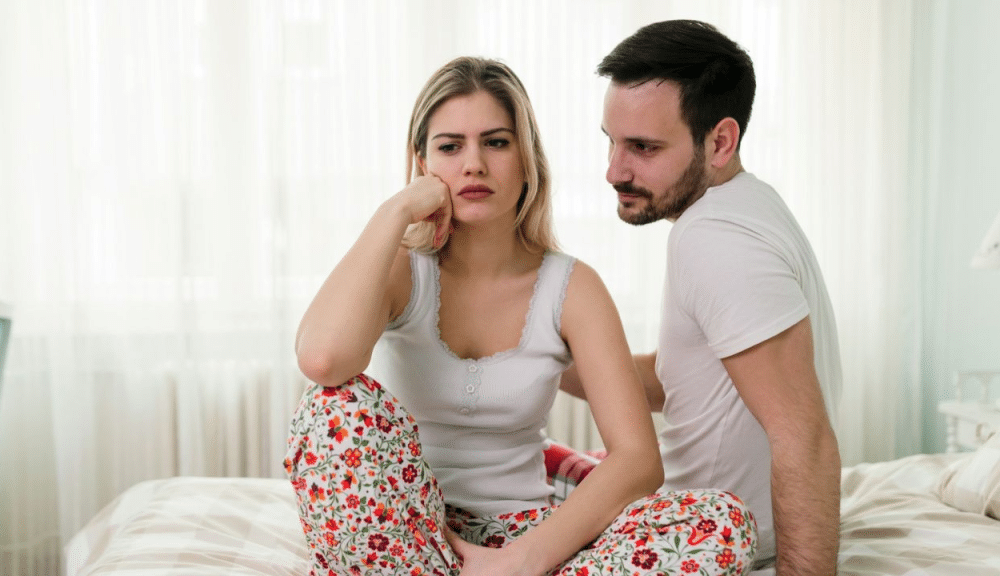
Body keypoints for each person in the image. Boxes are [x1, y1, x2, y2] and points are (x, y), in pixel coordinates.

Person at [286, 56, 758, 576]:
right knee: (331, 407)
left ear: (526, 157)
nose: (474, 165)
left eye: (496, 142)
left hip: (528, 537)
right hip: (409, 531)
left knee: (723, 521)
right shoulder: (401, 271)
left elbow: (637, 460)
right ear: (422, 163)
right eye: (449, 146)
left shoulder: (573, 288)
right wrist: (395, 212)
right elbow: (324, 359)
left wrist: (521, 560)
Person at [561, 20, 843, 575]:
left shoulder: (716, 239)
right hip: (694, 516)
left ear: (720, 141)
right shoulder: (746, 204)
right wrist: (539, 358)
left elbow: (803, 436)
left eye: (642, 148)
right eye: (611, 142)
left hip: (712, 539)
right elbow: (686, 384)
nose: (614, 171)